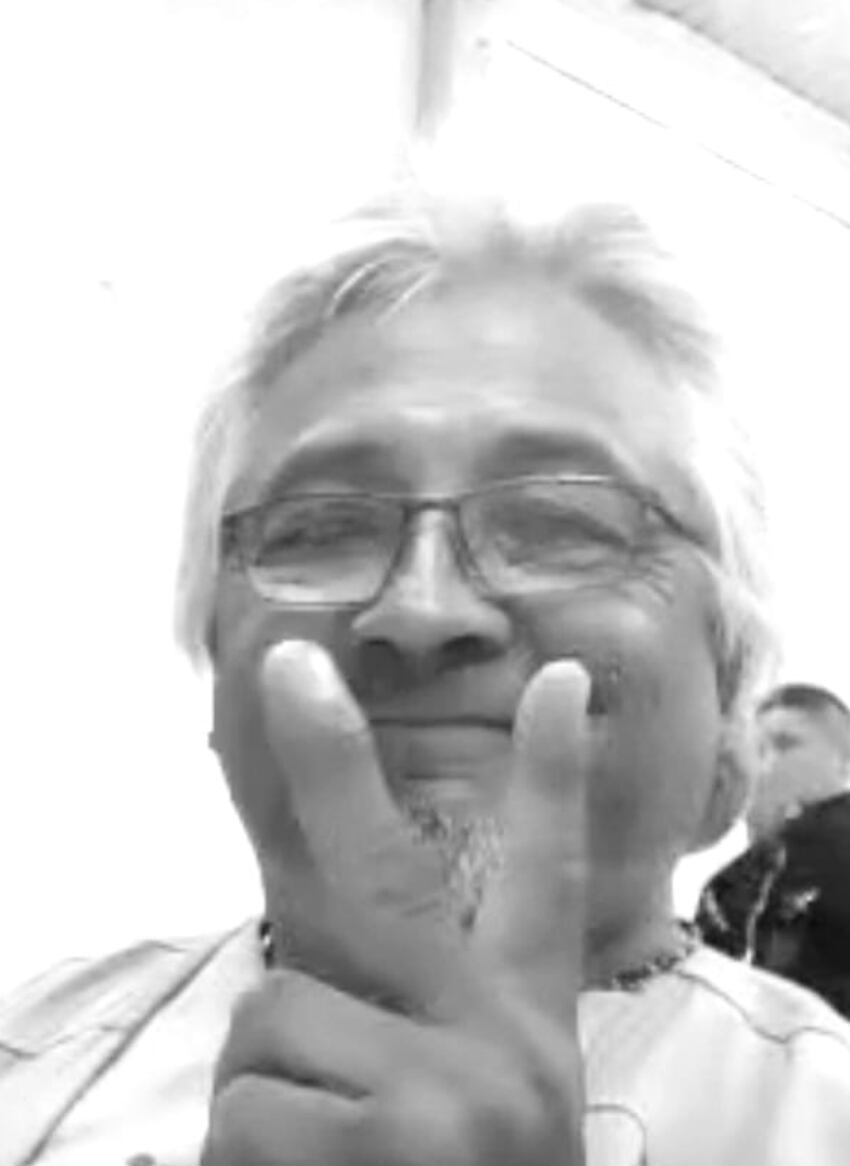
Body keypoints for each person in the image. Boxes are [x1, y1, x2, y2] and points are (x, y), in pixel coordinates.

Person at [2, 187, 850, 1166]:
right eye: (320, 528)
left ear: (731, 691)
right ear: (215, 655)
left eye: (561, 522)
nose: (421, 609)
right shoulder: (31, 1055)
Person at [697, 682, 850, 1014]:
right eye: (754, 751)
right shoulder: (727, 888)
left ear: (844, 761)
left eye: (785, 745)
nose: (762, 767)